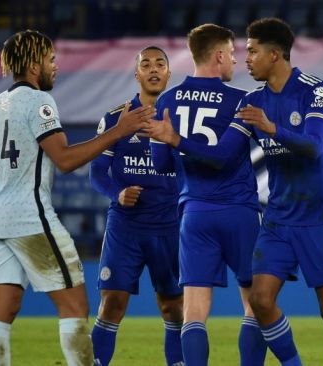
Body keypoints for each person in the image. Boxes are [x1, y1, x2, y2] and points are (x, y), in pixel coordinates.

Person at [148, 18, 323, 366]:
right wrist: (175, 139)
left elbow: (312, 147)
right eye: (242, 52)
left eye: (252, 51)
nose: (245, 59)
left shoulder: (315, 89)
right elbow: (220, 153)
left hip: (320, 215)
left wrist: (270, 127)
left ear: (275, 54)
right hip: (277, 218)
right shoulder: (249, 100)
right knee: (260, 301)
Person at [0, 29, 154, 366]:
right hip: (29, 217)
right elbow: (65, 159)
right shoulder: (39, 101)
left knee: (2, 309)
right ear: (33, 65)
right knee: (75, 307)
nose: (55, 67)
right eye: (51, 60)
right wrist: (119, 131)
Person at [145, 24, 267, 366]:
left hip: (195, 214)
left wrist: (176, 144)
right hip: (239, 210)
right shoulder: (239, 100)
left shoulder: (167, 100)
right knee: (255, 304)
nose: (234, 60)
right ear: (217, 55)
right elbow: (224, 157)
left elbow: (160, 163)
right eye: (231, 53)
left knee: (195, 311)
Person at [89, 46, 184, 366]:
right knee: (112, 302)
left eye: (160, 64)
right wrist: (117, 193)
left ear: (169, 74)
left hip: (170, 224)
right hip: (126, 225)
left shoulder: (181, 117)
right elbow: (97, 172)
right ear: (137, 74)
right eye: (146, 64)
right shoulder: (116, 118)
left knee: (174, 307)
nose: (154, 69)